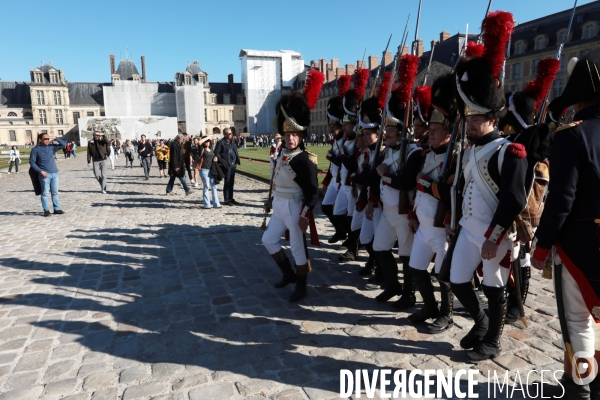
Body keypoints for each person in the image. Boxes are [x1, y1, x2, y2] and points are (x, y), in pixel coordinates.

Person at [448, 12, 525, 362]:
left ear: (492, 119)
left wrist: (495, 237)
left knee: (495, 289)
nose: (470, 124)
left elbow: (513, 199)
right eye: (468, 118)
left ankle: (493, 340)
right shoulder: (469, 151)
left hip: (495, 234)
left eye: (476, 118)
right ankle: (479, 323)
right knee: (457, 279)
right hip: (468, 230)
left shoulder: (509, 151)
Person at [531, 50, 600, 397]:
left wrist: (541, 247)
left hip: (582, 245)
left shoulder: (571, 137)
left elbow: (560, 202)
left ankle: (580, 388)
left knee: (578, 323)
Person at [262, 69, 322, 303]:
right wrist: (271, 199)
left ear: (301, 135)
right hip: (279, 204)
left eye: (294, 135)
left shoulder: (305, 159)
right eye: (287, 135)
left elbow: (313, 191)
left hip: (295, 207)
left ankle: (301, 285)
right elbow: (276, 180)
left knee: (298, 249)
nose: (290, 139)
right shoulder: (281, 155)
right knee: (268, 240)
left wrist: (306, 215)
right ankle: (288, 274)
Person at [321, 78, 347, 245]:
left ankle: (349, 236)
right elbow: (332, 166)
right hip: (335, 180)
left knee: (343, 212)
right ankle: (340, 231)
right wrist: (325, 181)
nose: (331, 129)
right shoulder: (336, 140)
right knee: (325, 206)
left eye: (333, 126)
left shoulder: (347, 141)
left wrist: (333, 157)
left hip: (345, 181)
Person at [29, 133, 67, 217]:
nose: (47, 140)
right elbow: (32, 162)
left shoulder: (51, 147)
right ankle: (46, 210)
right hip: (44, 174)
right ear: (40, 140)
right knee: (45, 193)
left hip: (54, 173)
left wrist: (56, 138)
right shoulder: (35, 150)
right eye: (45, 139)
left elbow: (64, 144)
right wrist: (40, 171)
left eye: (48, 139)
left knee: (55, 192)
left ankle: (56, 208)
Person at [214, 128, 240, 205]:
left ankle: (231, 198)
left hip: (233, 164)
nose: (231, 135)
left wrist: (237, 159)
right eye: (229, 134)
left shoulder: (232, 142)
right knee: (227, 182)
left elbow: (235, 151)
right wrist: (222, 161)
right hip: (227, 165)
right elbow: (216, 153)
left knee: (231, 182)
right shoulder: (221, 142)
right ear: (225, 134)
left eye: (231, 133)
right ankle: (226, 199)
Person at [198, 136, 221, 209]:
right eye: (206, 141)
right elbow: (199, 142)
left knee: (214, 186)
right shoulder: (202, 149)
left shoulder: (211, 149)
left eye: (208, 141)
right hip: (204, 170)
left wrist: (216, 158)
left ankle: (216, 204)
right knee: (206, 186)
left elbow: (215, 155)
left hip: (212, 170)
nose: (207, 143)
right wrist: (207, 137)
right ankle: (207, 204)